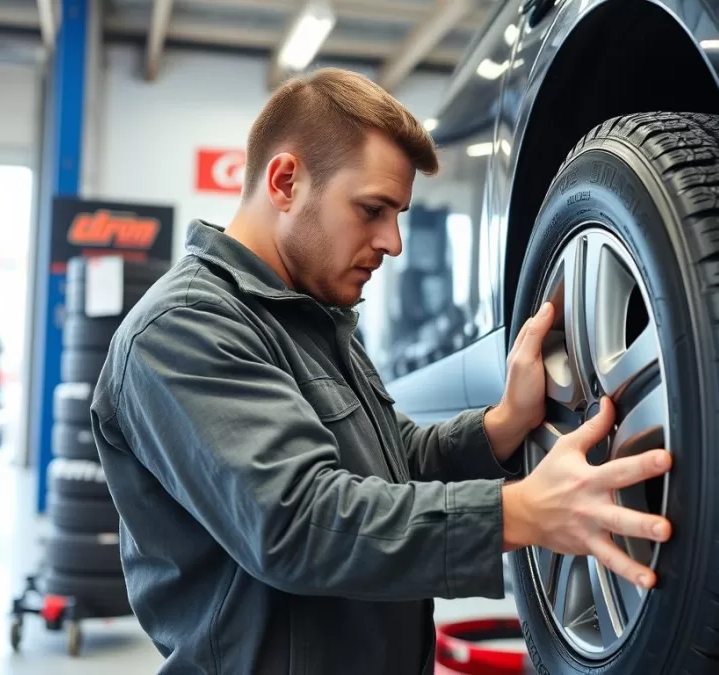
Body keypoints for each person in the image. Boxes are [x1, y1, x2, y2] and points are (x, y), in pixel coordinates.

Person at [89, 67, 672, 675]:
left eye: (397, 214)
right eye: (372, 210)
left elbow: (392, 464)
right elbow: (298, 522)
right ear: (286, 181)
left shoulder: (316, 315)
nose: (392, 242)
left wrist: (502, 424)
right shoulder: (184, 328)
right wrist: (521, 511)